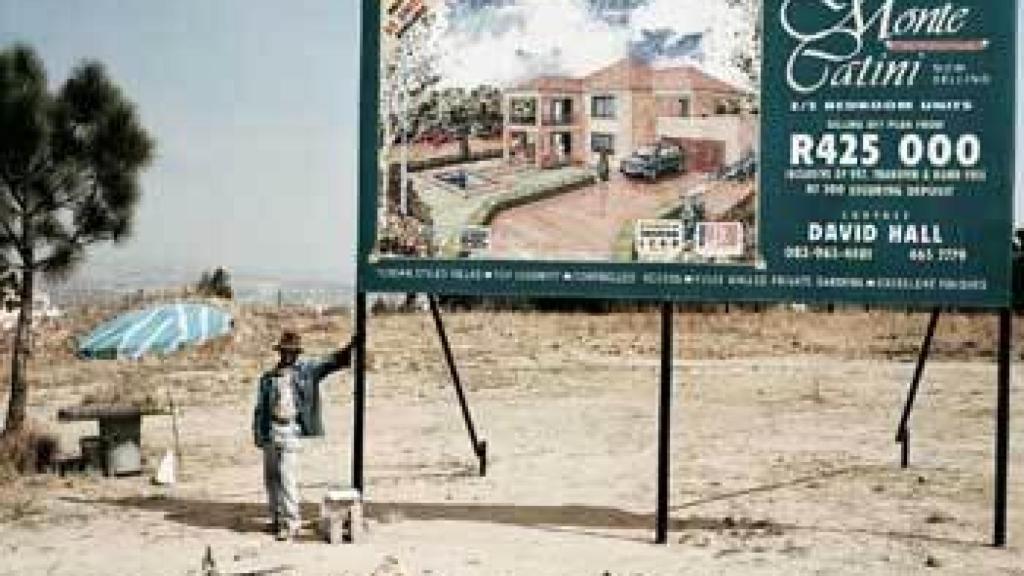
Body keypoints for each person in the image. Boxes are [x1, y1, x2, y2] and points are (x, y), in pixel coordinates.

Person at [253, 330, 353, 541]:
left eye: (292, 352)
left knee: (286, 475)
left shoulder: (306, 372)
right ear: (280, 352)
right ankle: (277, 519)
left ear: (297, 353)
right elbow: (260, 408)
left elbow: (331, 362)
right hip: (271, 429)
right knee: (271, 478)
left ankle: (291, 521)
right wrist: (258, 433)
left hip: (290, 429)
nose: (289, 355)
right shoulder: (268, 378)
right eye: (285, 351)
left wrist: (350, 347)